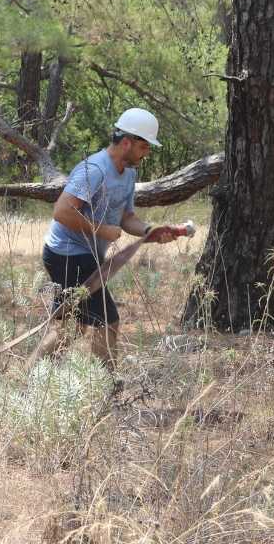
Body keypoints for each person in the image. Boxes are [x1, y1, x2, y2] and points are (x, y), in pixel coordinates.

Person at [26, 108, 185, 372]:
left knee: (71, 328)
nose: (147, 153)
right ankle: (106, 387)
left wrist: (149, 230)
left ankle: (30, 379)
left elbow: (125, 217)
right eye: (144, 146)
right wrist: (101, 230)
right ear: (126, 142)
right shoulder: (95, 170)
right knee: (106, 322)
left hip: (84, 254)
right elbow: (62, 211)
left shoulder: (129, 174)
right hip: (67, 254)